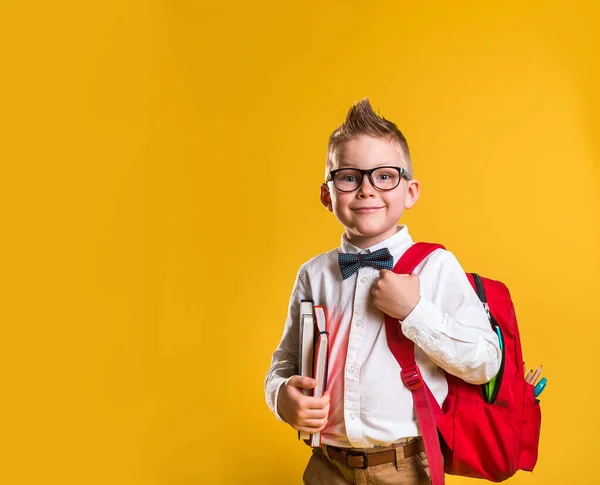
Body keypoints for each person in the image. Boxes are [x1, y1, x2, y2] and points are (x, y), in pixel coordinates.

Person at [264, 99, 502, 485]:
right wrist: (281, 397)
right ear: (327, 195)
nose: (366, 189)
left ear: (410, 191)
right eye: (348, 177)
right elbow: (283, 362)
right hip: (327, 467)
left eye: (385, 176)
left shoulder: (435, 266)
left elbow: (485, 362)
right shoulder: (313, 275)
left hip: (404, 466)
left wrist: (415, 312)